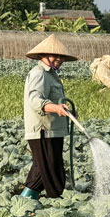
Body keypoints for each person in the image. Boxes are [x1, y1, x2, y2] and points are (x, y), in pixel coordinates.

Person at [21, 34, 77, 200]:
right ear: (42, 55)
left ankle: (26, 202)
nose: (59, 59)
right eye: (55, 55)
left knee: (45, 169)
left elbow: (53, 100)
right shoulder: (39, 74)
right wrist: (56, 108)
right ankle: (30, 202)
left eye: (61, 56)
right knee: (47, 169)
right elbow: (35, 100)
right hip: (43, 130)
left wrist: (68, 112)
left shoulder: (51, 75)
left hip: (53, 130)